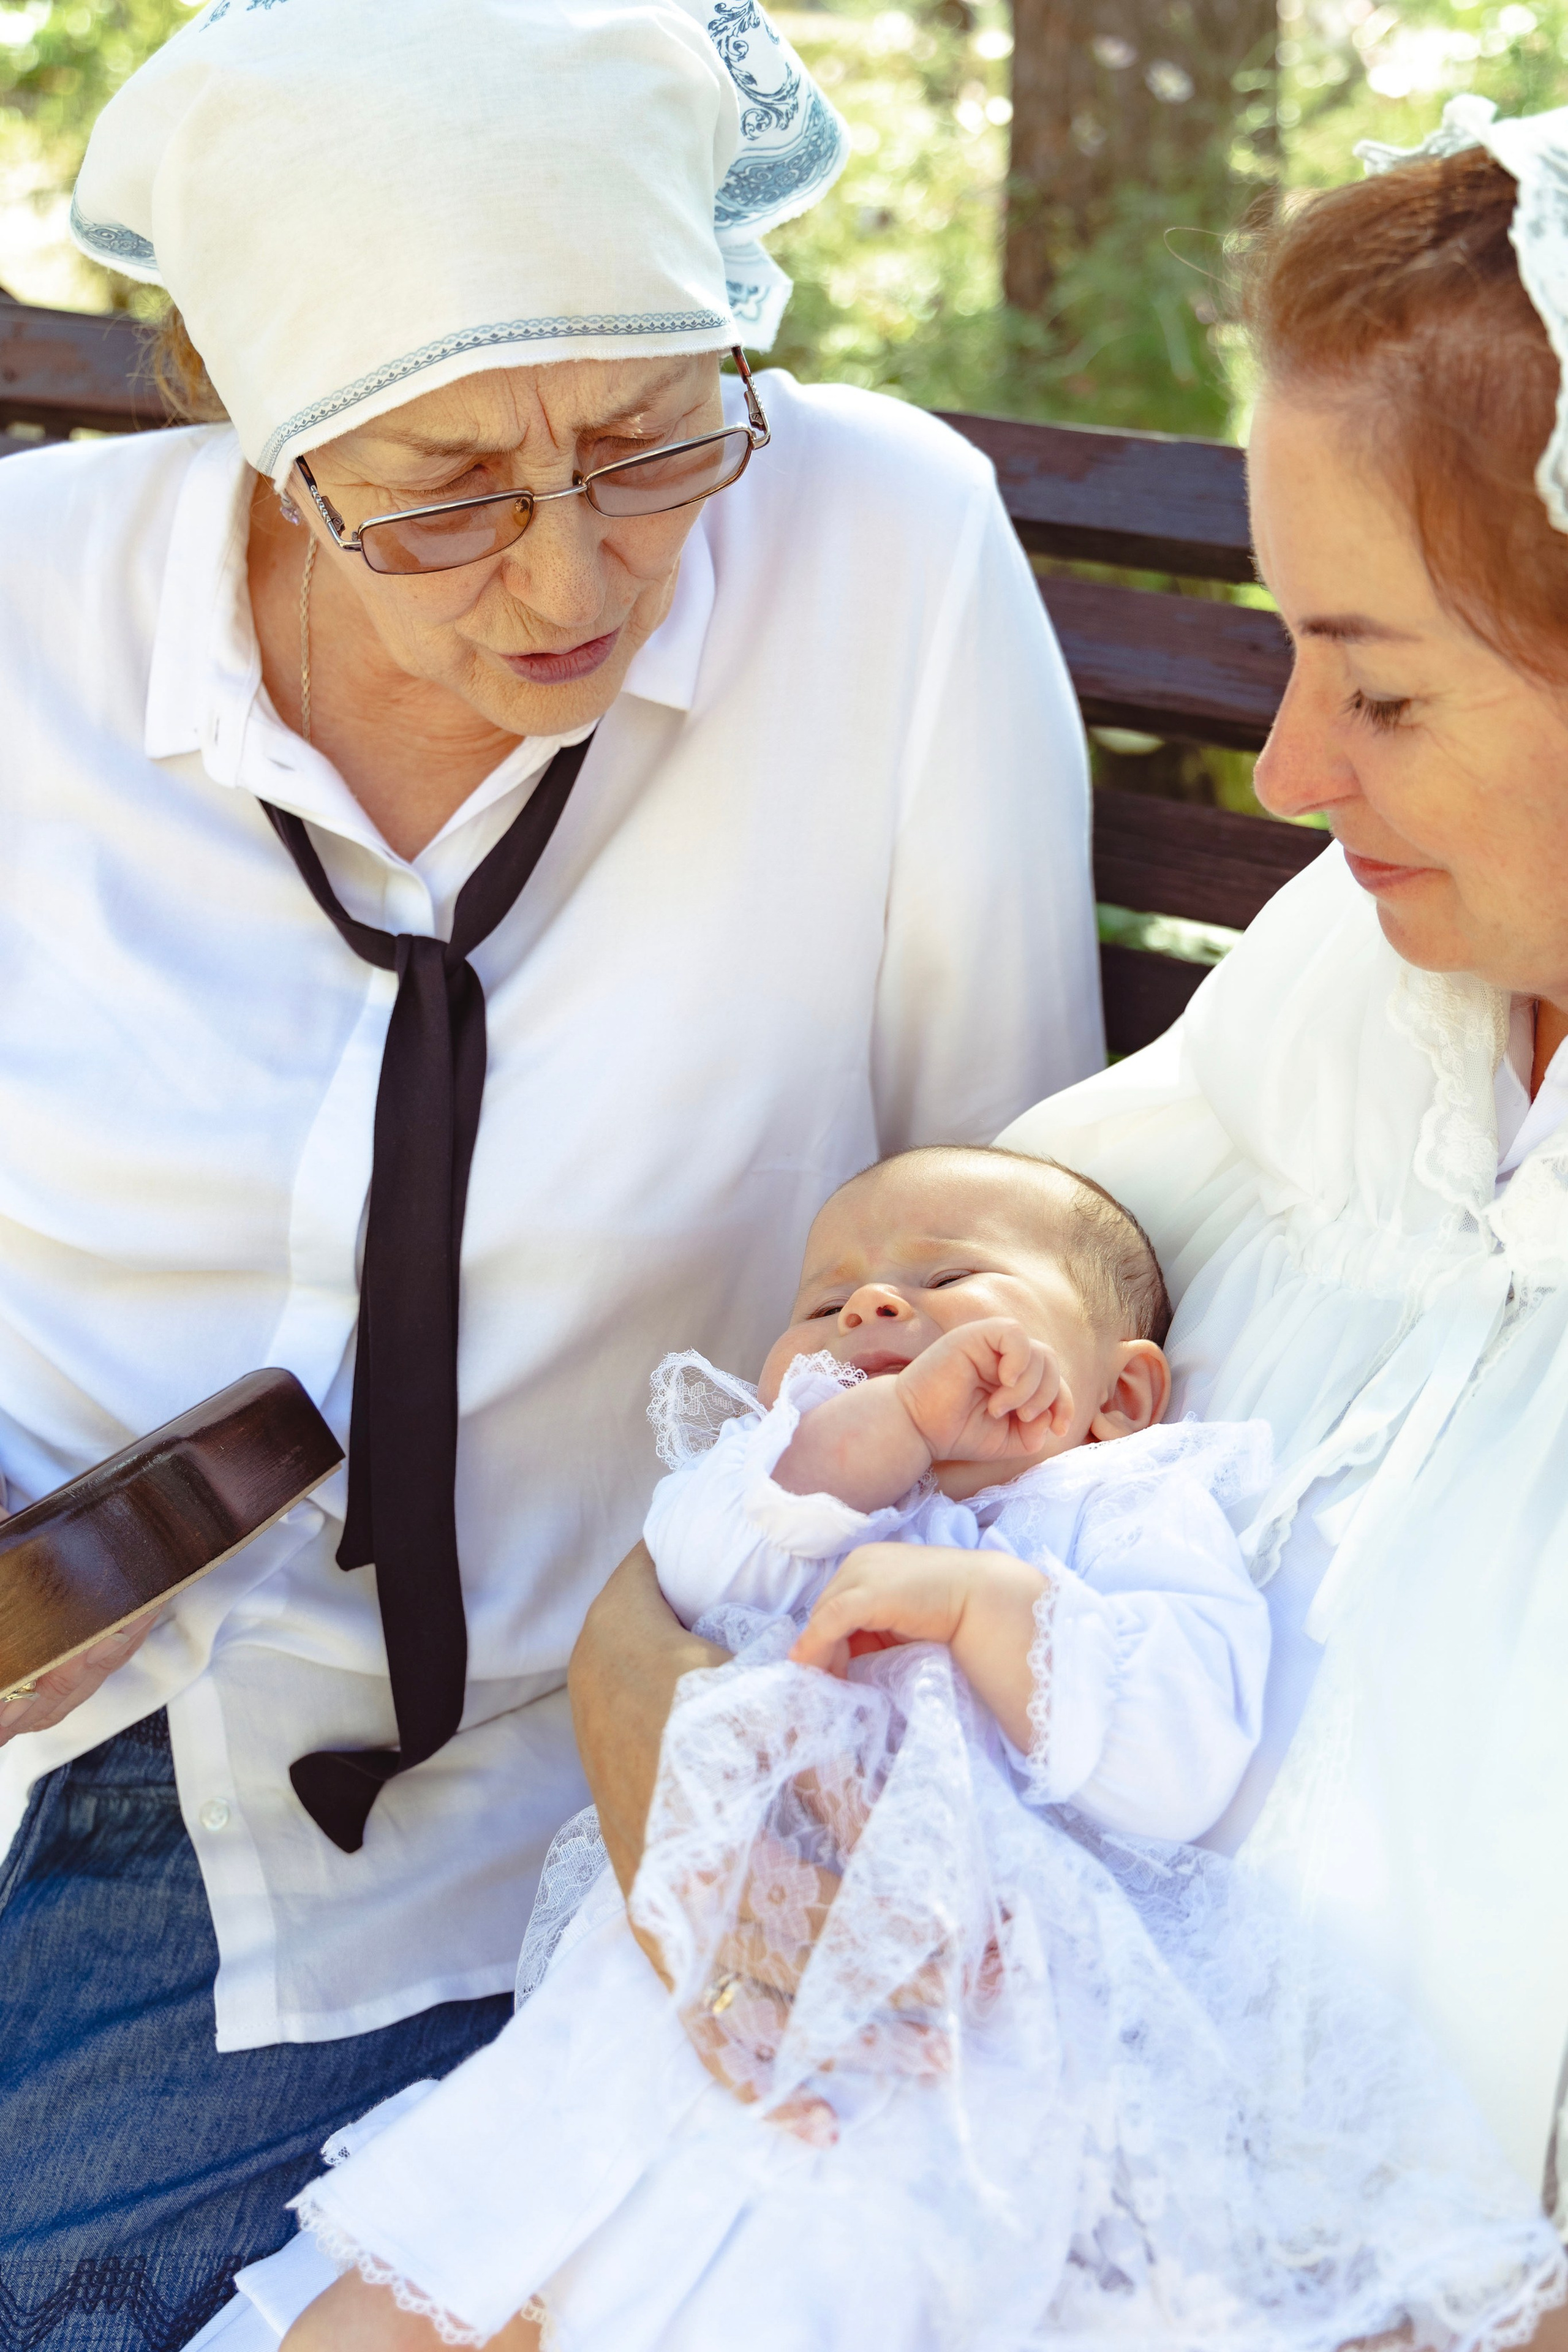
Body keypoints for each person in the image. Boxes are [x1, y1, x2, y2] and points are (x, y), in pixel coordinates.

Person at [0, 0, 1101, 2341]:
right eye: (440, 491)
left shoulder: (878, 563)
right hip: (68, 1743)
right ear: (252, 426)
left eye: (644, 441)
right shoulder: (24, 618)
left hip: (565, 1792)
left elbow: (1013, 1227)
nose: (570, 579)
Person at [550, 91, 1568, 2352]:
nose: (1291, 774)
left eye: (1382, 684)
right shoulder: (1379, 985)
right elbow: (920, 1335)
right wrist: (672, 1695)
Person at [213, 1150, 1556, 2352]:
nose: (868, 1307)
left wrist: (985, 1608)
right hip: (675, 1993)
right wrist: (889, 1430)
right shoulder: (791, 1502)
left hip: (952, 2036)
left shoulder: (1126, 1517)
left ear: (1117, 1395)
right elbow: (692, 1558)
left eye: (949, 1277)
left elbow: (1180, 1761)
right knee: (452, 2263)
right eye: (825, 1299)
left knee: (781, 2272)